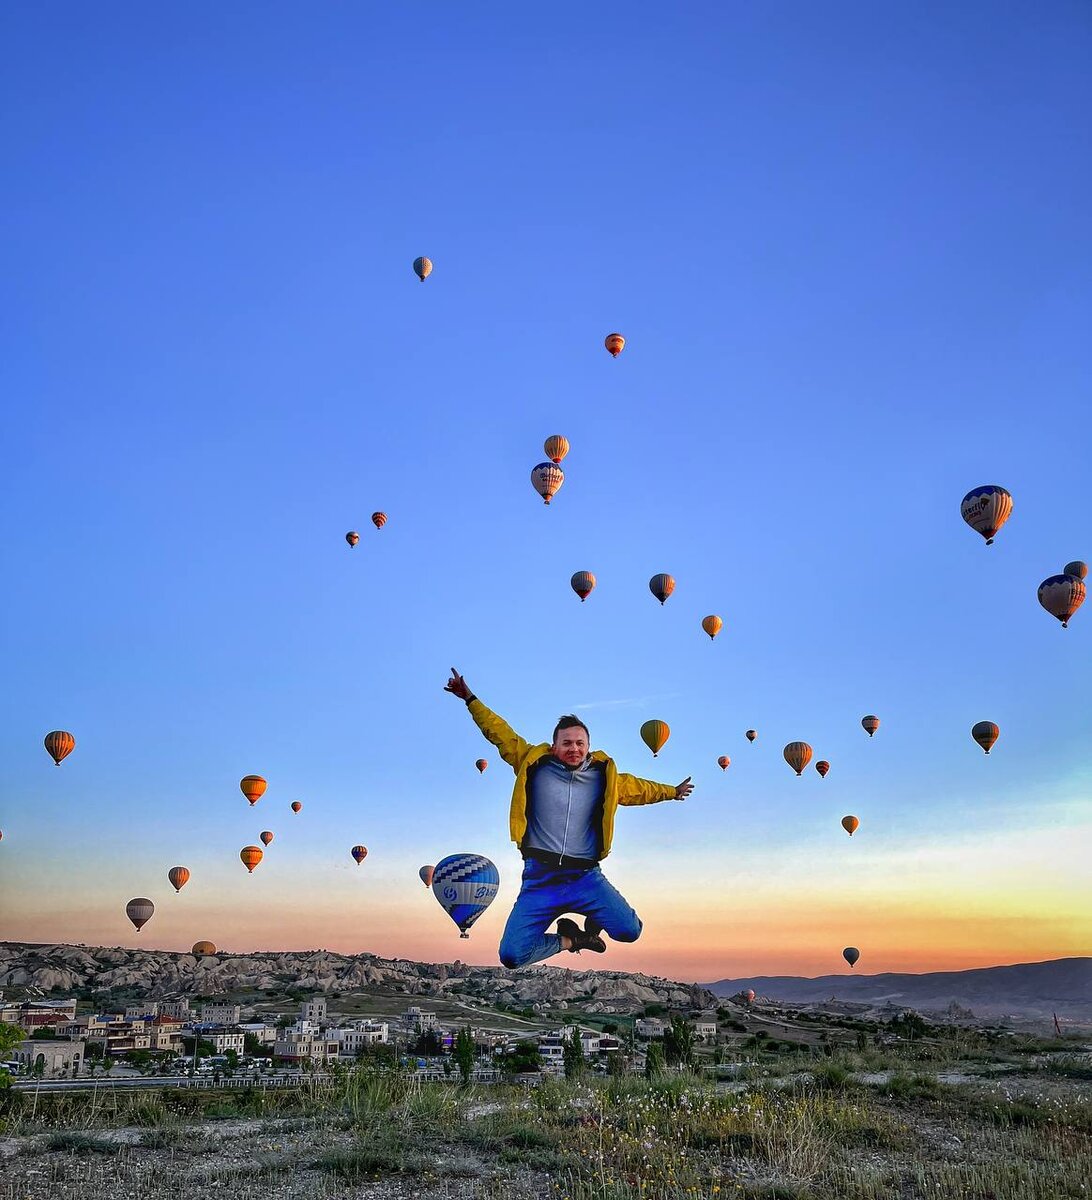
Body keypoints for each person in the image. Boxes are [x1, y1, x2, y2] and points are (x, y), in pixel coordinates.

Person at [444, 668, 693, 967]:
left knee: (630, 931)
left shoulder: (605, 776)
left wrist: (671, 791)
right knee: (511, 955)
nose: (573, 748)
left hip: (585, 877)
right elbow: (499, 733)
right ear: (554, 747)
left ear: (588, 747)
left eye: (579, 743)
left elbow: (641, 789)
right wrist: (470, 699)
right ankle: (573, 940)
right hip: (540, 880)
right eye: (567, 743)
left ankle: (592, 916)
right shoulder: (532, 763)